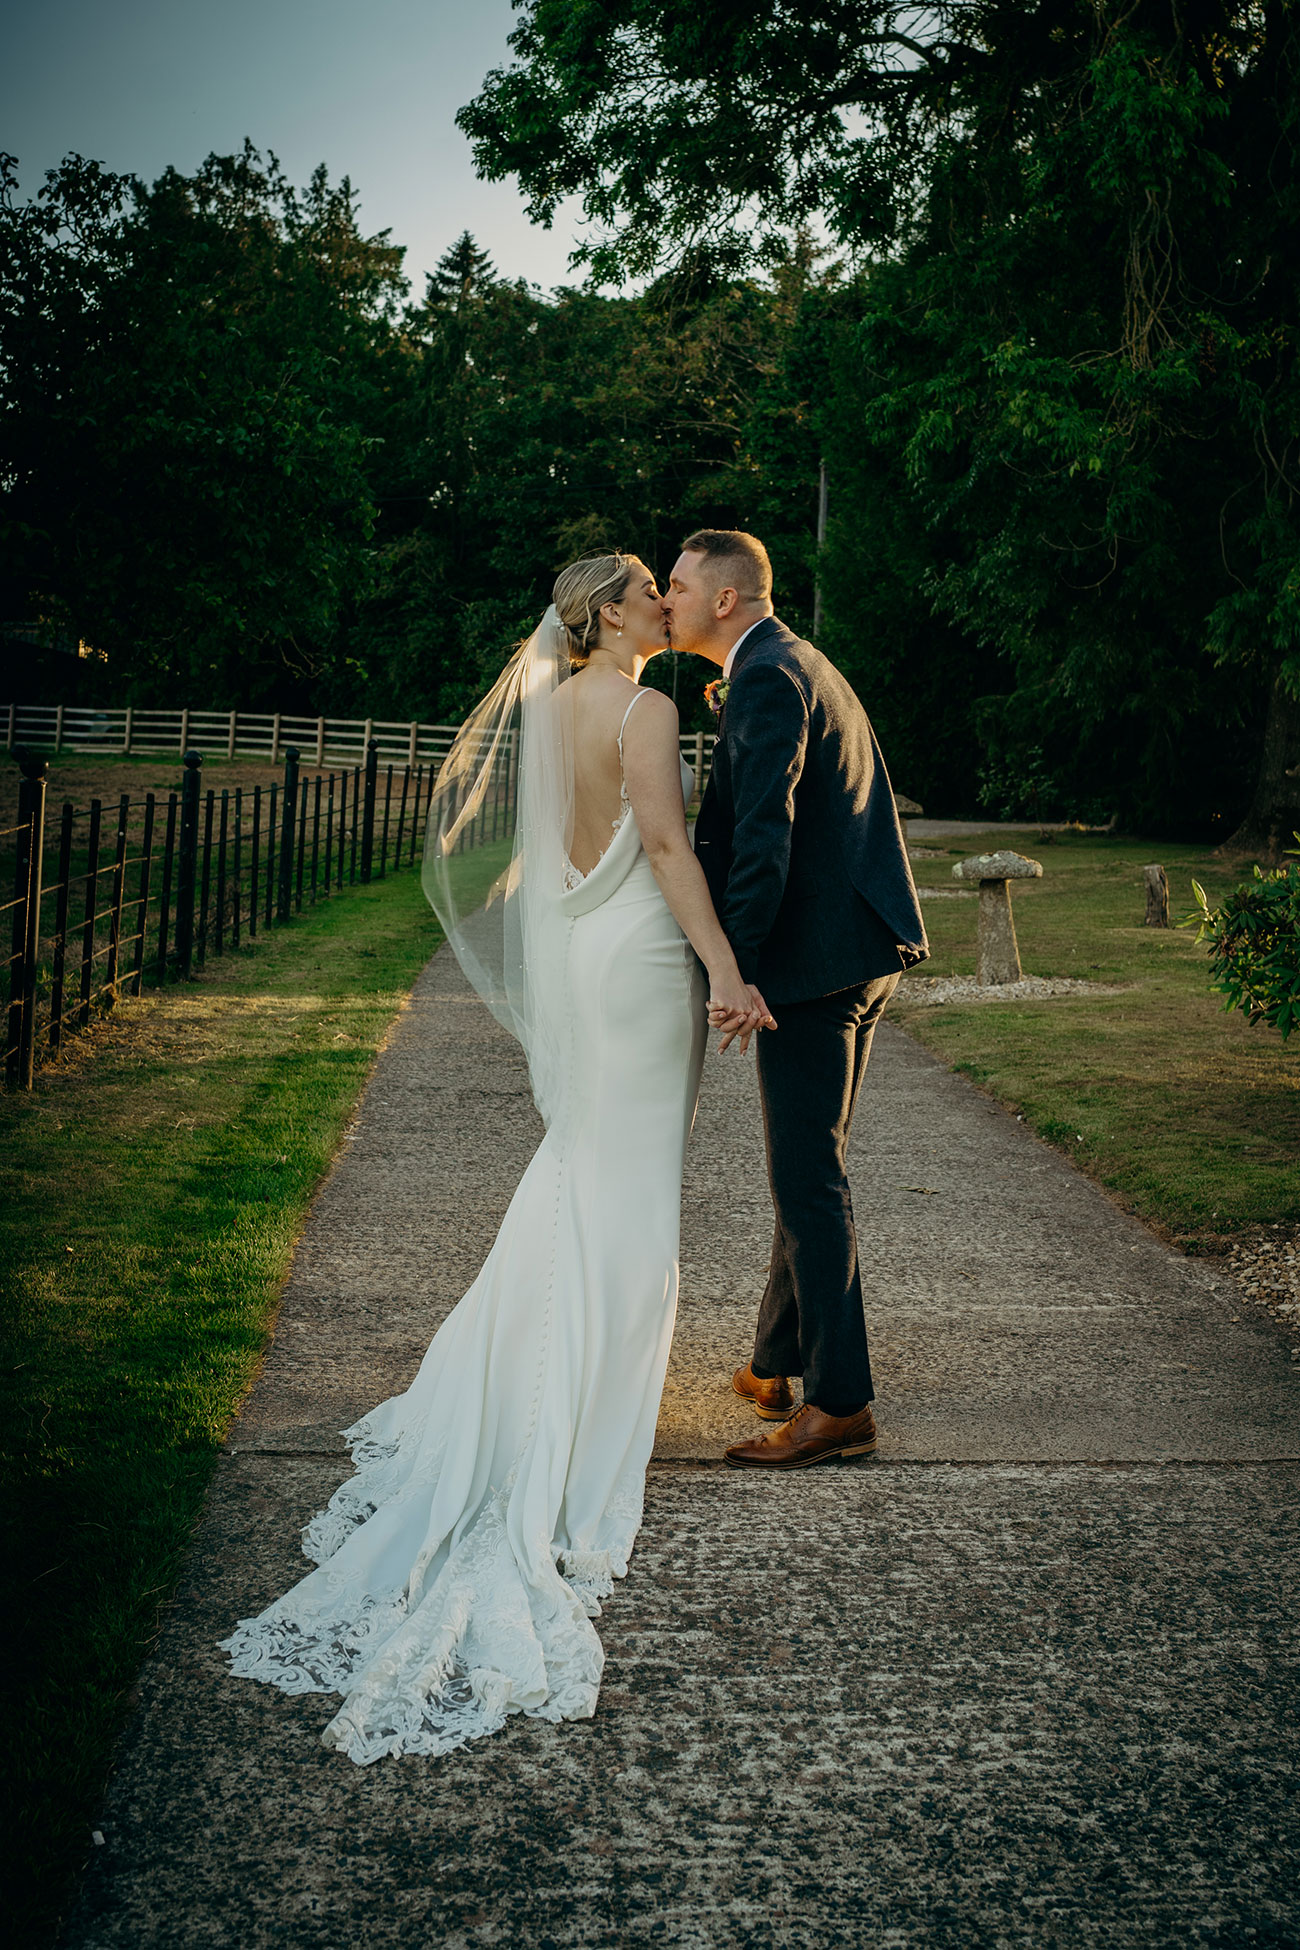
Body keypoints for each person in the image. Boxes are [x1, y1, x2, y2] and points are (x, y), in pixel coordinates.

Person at [221, 553, 768, 1762]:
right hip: (639, 960)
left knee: (583, 1164)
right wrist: (726, 970)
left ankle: (534, 1372)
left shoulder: (554, 706)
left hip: (585, 951)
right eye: (648, 589)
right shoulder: (643, 707)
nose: (664, 602)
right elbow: (666, 849)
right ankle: (582, 1413)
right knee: (627, 1183)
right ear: (611, 612)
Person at [662, 529, 929, 1471]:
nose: (666, 599)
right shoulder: (786, 659)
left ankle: (841, 1404)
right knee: (811, 1167)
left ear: (725, 599)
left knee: (809, 1181)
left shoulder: (768, 677)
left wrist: (734, 968)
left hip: (815, 967)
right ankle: (775, 1361)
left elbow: (762, 835)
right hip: (856, 948)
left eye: (679, 585)